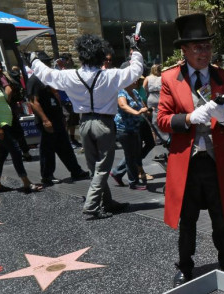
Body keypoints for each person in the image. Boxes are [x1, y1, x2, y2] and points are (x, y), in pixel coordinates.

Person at [156, 13, 224, 287]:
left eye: (207, 46)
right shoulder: (170, 78)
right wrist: (187, 119)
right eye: (197, 47)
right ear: (184, 50)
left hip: (216, 159)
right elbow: (162, 120)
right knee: (187, 219)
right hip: (186, 162)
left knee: (221, 216)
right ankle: (185, 266)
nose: (204, 52)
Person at [29, 34, 144, 220]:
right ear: (101, 56)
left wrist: (33, 60)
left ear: (81, 56)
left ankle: (107, 202)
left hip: (84, 124)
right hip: (104, 124)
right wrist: (135, 50)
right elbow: (136, 69)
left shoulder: (70, 75)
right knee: (103, 168)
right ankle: (91, 205)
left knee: (94, 167)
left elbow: (46, 74)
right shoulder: (111, 75)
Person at [26, 51, 91, 186]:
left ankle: (76, 171)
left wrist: (61, 115)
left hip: (56, 117)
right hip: (47, 120)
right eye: (46, 62)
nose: (48, 64)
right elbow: (33, 102)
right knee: (48, 149)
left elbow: (56, 96)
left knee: (65, 146)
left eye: (48, 62)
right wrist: (45, 120)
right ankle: (47, 176)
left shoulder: (48, 78)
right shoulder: (34, 80)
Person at [0, 57, 43, 194]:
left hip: (5, 123)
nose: (0, 69)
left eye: (0, 67)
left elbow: (5, 99)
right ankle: (26, 182)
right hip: (0, 125)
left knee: (1, 153)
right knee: (16, 151)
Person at [110, 78, 150, 190]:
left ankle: (117, 173)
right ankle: (133, 182)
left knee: (135, 154)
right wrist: (137, 113)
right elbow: (123, 106)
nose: (136, 81)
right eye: (132, 80)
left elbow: (143, 106)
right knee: (131, 156)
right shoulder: (121, 92)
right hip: (124, 129)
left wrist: (147, 110)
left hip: (135, 128)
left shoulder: (135, 92)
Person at [143, 63, 169, 145]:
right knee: (161, 116)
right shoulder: (162, 78)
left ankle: (155, 138)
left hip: (151, 97)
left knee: (153, 118)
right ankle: (164, 136)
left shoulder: (148, 78)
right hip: (160, 97)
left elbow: (143, 88)